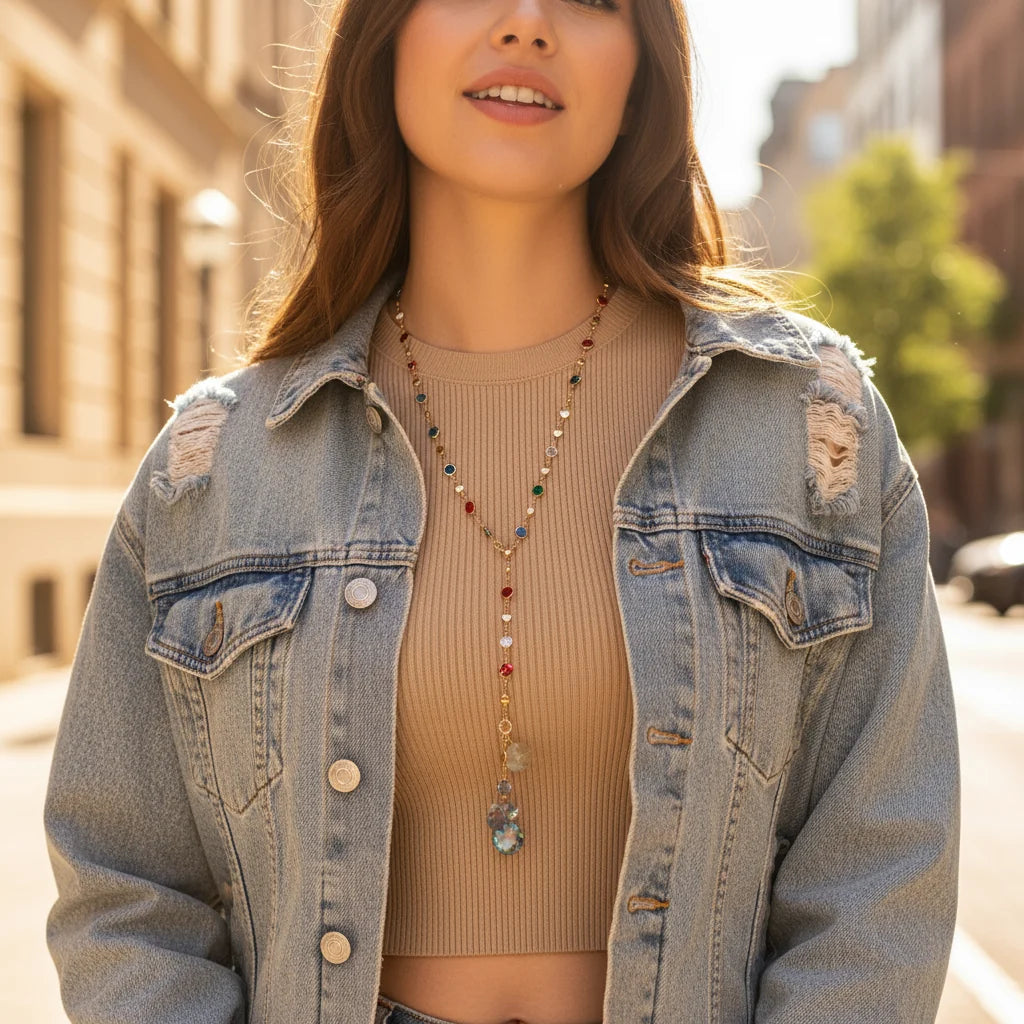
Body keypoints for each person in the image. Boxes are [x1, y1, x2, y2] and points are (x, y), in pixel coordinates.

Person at [43, 1, 961, 1023]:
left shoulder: (806, 427)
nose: (527, 24)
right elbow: (125, 888)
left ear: (641, 71)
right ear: (383, 40)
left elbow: (879, 871)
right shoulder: (218, 464)